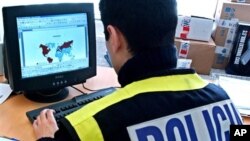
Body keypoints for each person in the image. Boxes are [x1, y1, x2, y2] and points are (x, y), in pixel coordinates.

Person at [33, 0, 243, 140]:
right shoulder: (224, 100)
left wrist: (46, 137)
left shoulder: (82, 127)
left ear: (113, 37)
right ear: (172, 27)